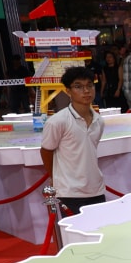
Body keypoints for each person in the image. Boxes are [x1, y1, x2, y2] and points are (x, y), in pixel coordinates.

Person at [39, 66, 105, 215]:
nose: (86, 91)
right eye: (78, 86)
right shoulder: (57, 121)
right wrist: (55, 178)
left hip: (97, 188)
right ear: (68, 91)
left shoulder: (99, 121)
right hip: (70, 192)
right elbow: (46, 151)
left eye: (89, 85)